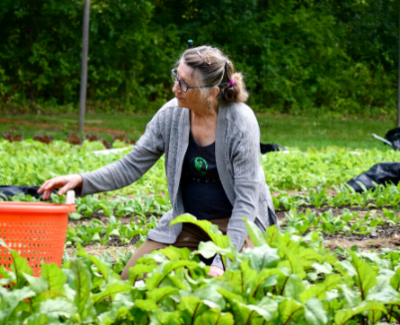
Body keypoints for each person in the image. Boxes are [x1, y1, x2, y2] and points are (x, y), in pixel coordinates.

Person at [37, 45, 278, 280]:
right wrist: (82, 181)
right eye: (176, 77)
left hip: (238, 223)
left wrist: (224, 259)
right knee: (132, 278)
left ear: (211, 92)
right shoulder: (170, 116)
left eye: (184, 83)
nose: (175, 88)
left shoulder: (240, 123)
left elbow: (246, 202)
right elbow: (130, 165)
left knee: (232, 286)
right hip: (188, 220)